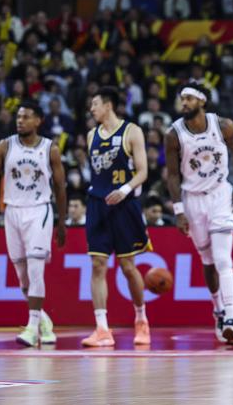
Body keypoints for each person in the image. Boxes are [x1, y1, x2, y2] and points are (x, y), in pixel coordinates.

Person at [0, 100, 66, 347]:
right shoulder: (6, 145)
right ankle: (43, 320)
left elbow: (60, 187)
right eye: (18, 117)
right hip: (12, 212)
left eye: (26, 117)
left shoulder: (50, 148)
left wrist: (62, 222)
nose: (20, 121)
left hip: (39, 211)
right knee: (23, 279)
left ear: (38, 121)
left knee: (35, 270)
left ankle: (32, 328)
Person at [165, 83, 233, 344]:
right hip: (192, 200)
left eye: (189, 98)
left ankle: (231, 317)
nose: (184, 103)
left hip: (220, 195)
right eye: (182, 99)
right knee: (208, 261)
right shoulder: (174, 134)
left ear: (202, 101)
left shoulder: (223, 126)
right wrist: (178, 210)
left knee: (223, 260)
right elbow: (173, 175)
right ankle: (218, 309)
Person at [82, 86, 152, 347]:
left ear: (108, 105)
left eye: (95, 104)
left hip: (124, 205)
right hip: (97, 204)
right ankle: (102, 328)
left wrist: (124, 190)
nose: (92, 109)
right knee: (98, 265)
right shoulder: (91, 135)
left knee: (128, 267)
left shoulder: (132, 131)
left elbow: (143, 172)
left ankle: (141, 319)